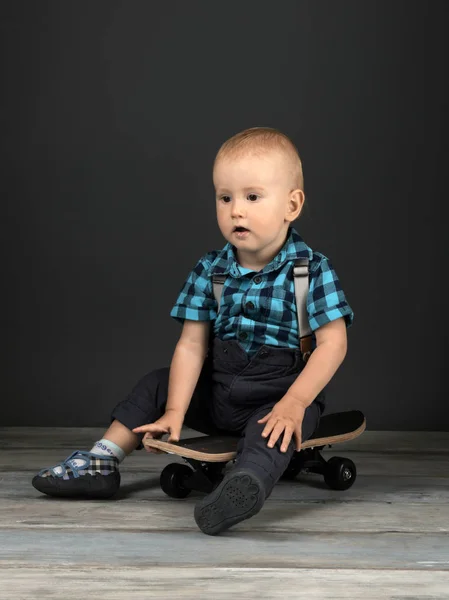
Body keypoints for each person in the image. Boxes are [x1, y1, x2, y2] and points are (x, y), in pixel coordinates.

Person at [32, 127, 354, 536]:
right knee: (156, 384)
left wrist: (295, 401)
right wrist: (176, 411)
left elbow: (333, 344)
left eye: (252, 197)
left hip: (280, 396)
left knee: (273, 433)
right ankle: (103, 460)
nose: (236, 210)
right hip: (220, 392)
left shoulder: (310, 271)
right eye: (225, 198)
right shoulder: (211, 269)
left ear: (292, 205)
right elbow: (191, 345)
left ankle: (245, 487)